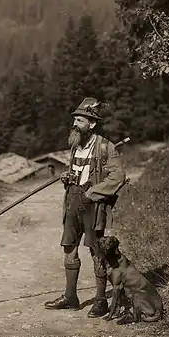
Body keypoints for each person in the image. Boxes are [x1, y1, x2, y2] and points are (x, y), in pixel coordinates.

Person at [44, 97, 126, 317]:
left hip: (93, 205)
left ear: (92, 124)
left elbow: (118, 177)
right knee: (69, 247)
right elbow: (77, 172)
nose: (75, 124)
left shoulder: (105, 146)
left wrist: (92, 193)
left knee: (96, 250)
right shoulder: (76, 145)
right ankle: (71, 298)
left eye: (80, 121)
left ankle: (101, 301)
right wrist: (66, 177)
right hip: (72, 200)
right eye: (75, 120)